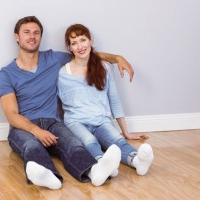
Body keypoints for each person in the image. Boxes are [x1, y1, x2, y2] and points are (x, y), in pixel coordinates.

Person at [0, 16, 135, 189]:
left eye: (36, 33)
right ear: (17, 37)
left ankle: (94, 171)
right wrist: (37, 131)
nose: (32, 36)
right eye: (26, 32)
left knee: (73, 143)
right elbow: (12, 115)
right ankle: (47, 175)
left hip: (53, 123)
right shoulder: (6, 74)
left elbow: (85, 54)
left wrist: (117, 58)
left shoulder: (53, 59)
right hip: (23, 127)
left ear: (40, 37)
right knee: (31, 146)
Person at [57, 24, 154, 177]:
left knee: (116, 140)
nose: (80, 46)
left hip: (101, 120)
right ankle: (102, 165)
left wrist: (126, 132)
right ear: (69, 48)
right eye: (74, 43)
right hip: (76, 122)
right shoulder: (64, 73)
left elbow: (114, 100)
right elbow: (63, 105)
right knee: (89, 141)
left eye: (83, 40)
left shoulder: (104, 67)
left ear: (90, 41)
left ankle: (137, 161)